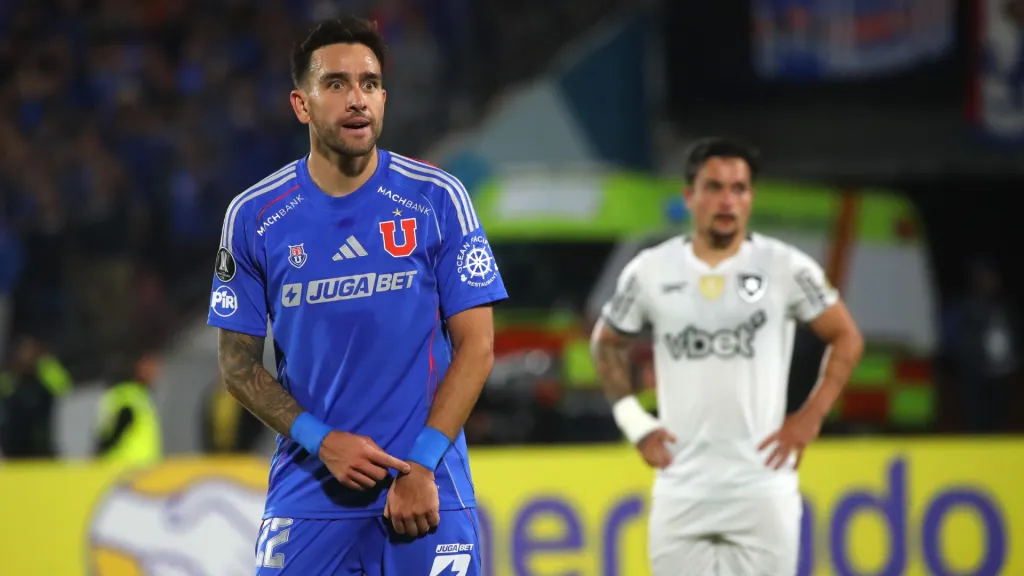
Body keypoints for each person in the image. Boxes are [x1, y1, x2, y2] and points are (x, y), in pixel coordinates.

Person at [208, 16, 506, 575]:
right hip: (310, 495)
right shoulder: (254, 217)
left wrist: (421, 464)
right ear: (301, 104)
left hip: (426, 488)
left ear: (384, 98)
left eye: (369, 83)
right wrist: (323, 442)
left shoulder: (437, 199)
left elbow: (478, 347)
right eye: (336, 83)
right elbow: (237, 366)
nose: (357, 99)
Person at [590, 138, 863, 575]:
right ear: (689, 196)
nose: (727, 200)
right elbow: (606, 343)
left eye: (739, 189)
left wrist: (811, 417)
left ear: (751, 197)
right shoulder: (650, 270)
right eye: (714, 187)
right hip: (682, 488)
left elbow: (846, 336)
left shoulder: (785, 266)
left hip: (762, 487)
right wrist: (635, 423)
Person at [94, 351, 163, 466]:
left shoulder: (137, 394)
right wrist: (100, 454)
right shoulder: (129, 394)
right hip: (126, 467)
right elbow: (118, 427)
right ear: (137, 367)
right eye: (149, 366)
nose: (154, 372)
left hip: (136, 469)